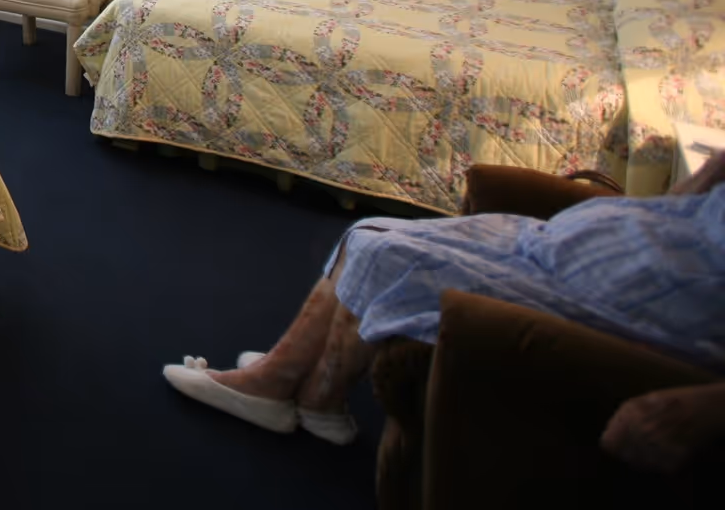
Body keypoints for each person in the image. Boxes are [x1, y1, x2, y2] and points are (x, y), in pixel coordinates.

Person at [165, 150, 725, 465]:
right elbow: (684, 204)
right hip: (563, 251)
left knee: (384, 252)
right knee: (371, 234)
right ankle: (316, 400)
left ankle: (273, 384)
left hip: (622, 300)